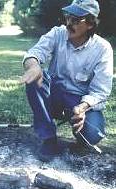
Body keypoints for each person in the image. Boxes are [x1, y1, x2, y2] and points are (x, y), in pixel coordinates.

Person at [20, 0, 113, 162]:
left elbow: (101, 90)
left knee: (93, 136)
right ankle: (48, 139)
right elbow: (34, 53)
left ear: (90, 24)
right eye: (68, 17)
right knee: (36, 78)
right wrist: (33, 66)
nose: (69, 23)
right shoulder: (58, 33)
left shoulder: (103, 49)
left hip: (79, 101)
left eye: (76, 20)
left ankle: (79, 132)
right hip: (54, 94)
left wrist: (83, 108)